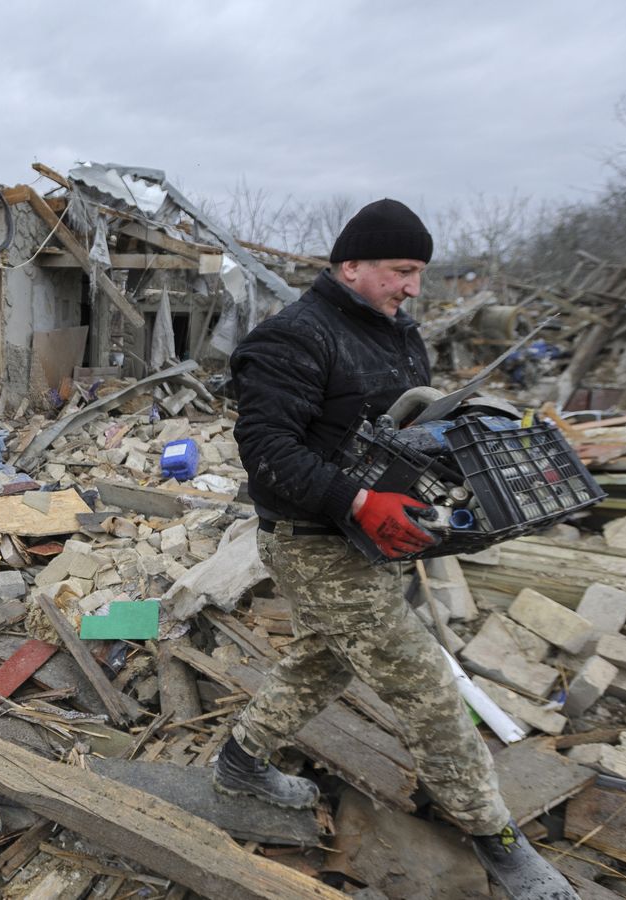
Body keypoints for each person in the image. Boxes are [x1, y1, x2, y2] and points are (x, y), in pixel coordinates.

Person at [219, 200, 576, 899]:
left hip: (379, 534)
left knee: (326, 661)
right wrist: (355, 500)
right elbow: (267, 453)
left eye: (419, 273)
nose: (414, 287)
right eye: (401, 271)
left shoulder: (395, 332)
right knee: (428, 690)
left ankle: (241, 760)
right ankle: (497, 840)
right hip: (314, 540)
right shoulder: (292, 339)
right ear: (350, 266)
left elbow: (409, 417)